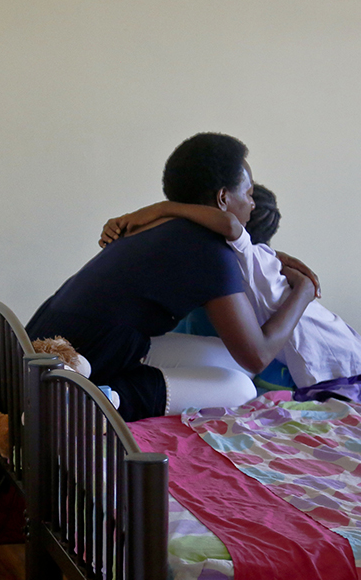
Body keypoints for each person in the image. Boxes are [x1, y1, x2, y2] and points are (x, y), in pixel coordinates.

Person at [26, 133, 317, 421]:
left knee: (231, 361)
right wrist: (302, 291)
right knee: (241, 387)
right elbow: (258, 354)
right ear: (223, 198)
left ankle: (116, 388)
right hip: (74, 363)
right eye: (249, 193)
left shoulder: (156, 224)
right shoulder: (209, 251)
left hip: (45, 342)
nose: (252, 204)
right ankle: (105, 400)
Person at [99, 183, 361, 402]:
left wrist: (162, 208)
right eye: (245, 193)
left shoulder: (245, 259)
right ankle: (113, 392)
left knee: (240, 384)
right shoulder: (239, 260)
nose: (248, 200)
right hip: (338, 357)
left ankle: (115, 394)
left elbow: (231, 228)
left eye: (249, 195)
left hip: (333, 372)